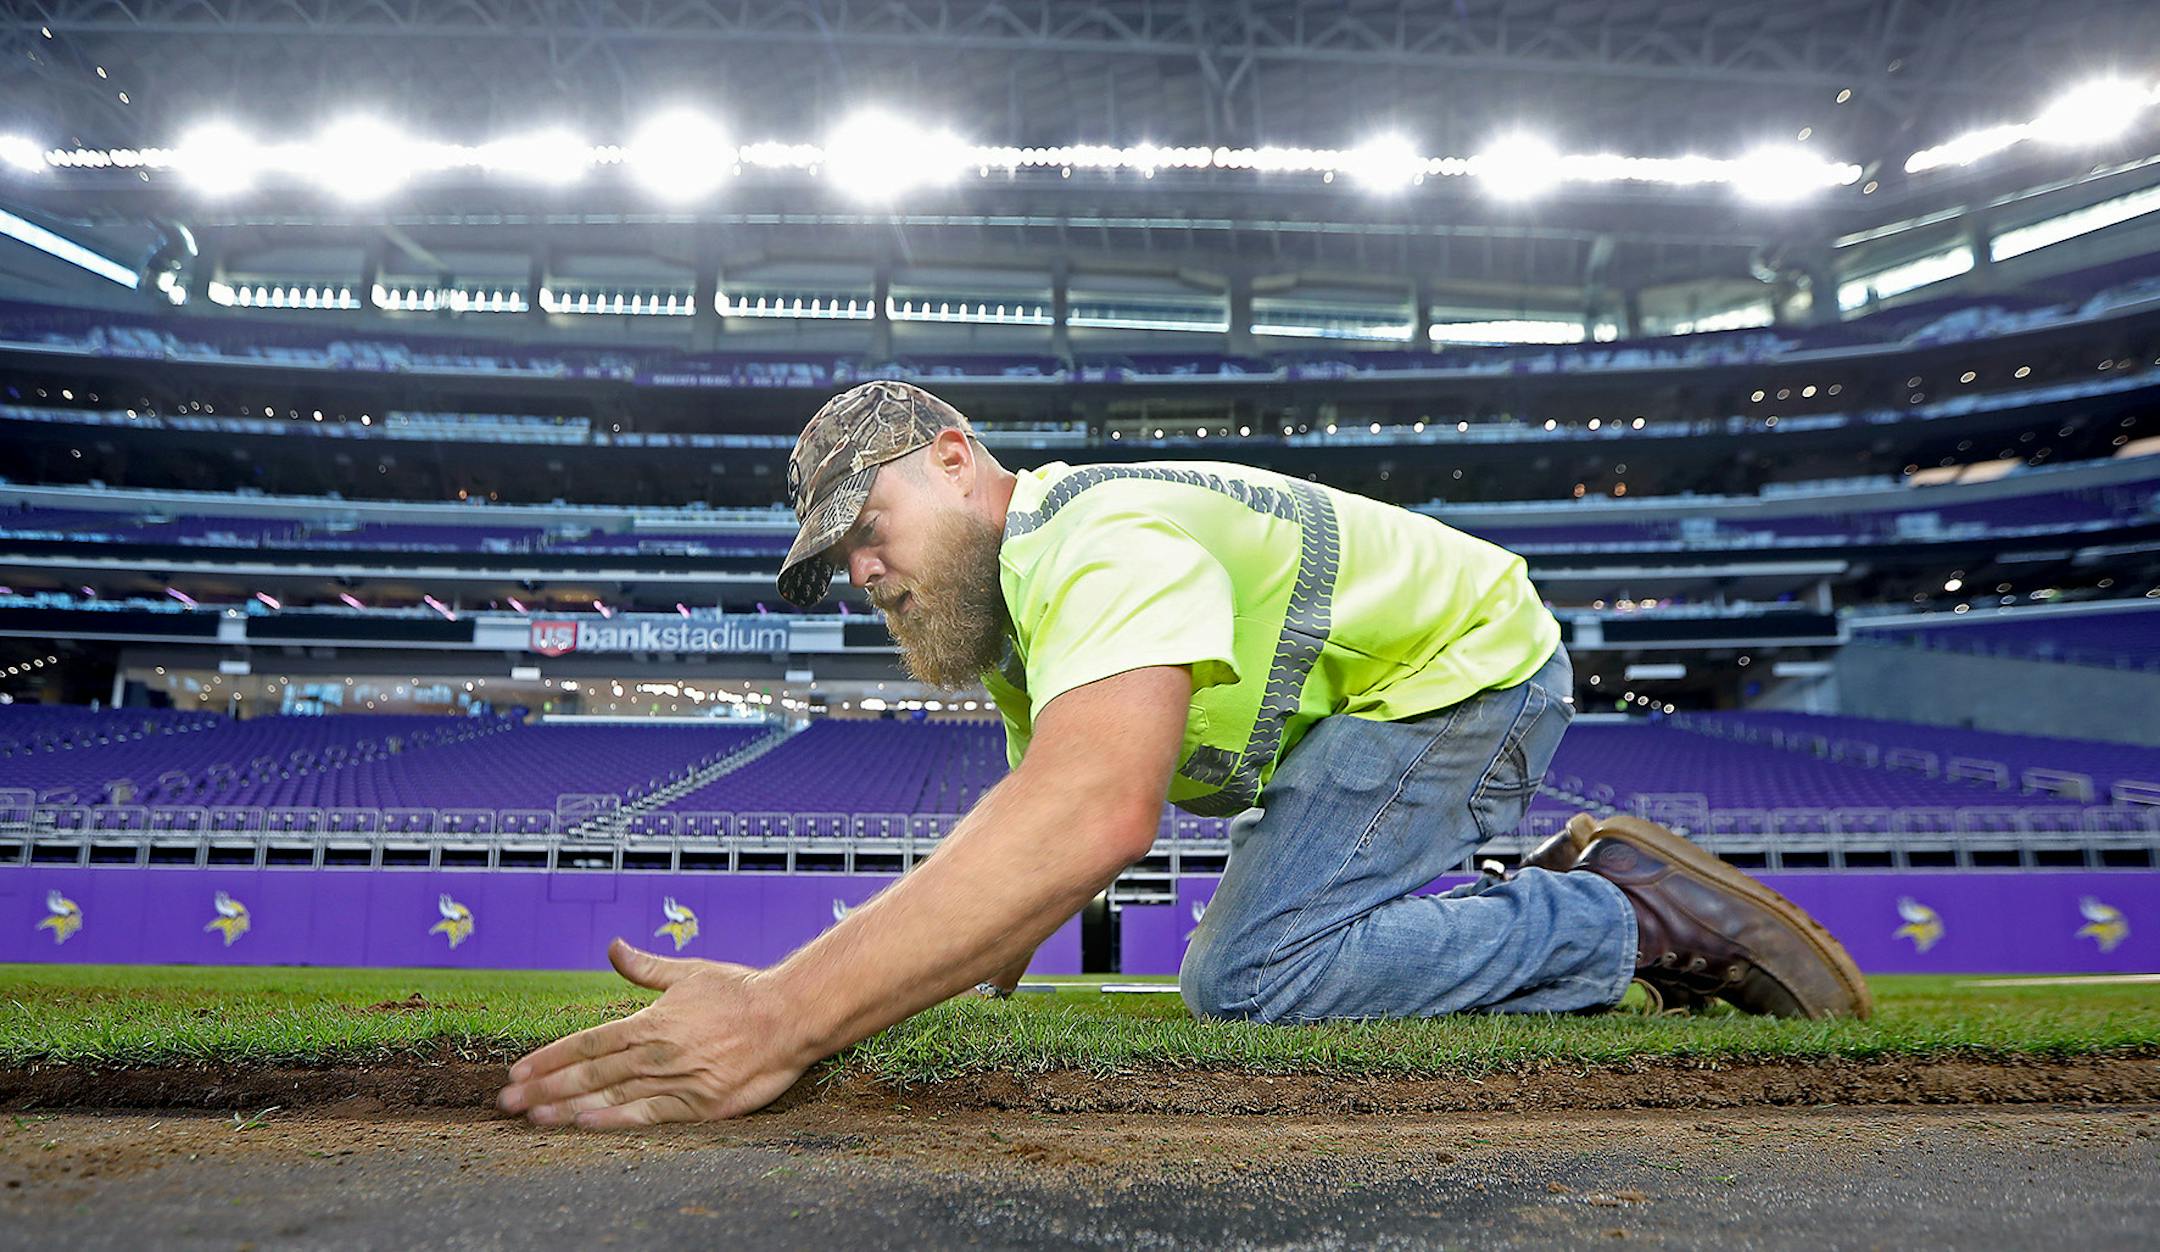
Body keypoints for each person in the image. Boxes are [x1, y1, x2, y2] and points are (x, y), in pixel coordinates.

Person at [496, 380, 1868, 1129]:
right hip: (1374, 707)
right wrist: (924, 962)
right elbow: (1036, 835)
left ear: (958, 458)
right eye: (838, 555)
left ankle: (1617, 920)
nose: (862, 567)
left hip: (1461, 676)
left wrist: (782, 1014)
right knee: (1265, 959)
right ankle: (1591, 906)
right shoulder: (1025, 620)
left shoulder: (1089, 543)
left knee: (1257, 978)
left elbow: (1099, 813)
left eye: (873, 521)